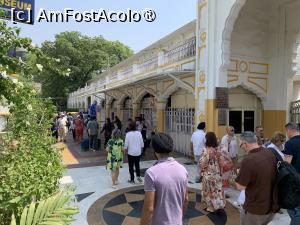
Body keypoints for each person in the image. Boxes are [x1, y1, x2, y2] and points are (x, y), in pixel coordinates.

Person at [140, 133, 189, 225]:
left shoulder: (151, 173)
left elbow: (149, 209)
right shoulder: (183, 170)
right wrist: (178, 218)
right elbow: (185, 199)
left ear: (154, 150)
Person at [236, 131, 277, 225]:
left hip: (255, 208)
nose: (240, 146)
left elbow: (241, 187)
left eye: (240, 144)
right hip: (271, 204)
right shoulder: (269, 152)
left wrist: (240, 173)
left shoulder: (248, 160)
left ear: (245, 144)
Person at [200, 132, 226, 212]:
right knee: (217, 190)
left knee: (209, 191)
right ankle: (219, 205)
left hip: (208, 174)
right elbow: (222, 162)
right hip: (217, 173)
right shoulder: (218, 149)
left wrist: (201, 170)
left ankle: (210, 207)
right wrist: (221, 172)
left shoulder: (206, 150)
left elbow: (203, 163)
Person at [284, 122, 300, 225]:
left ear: (289, 130)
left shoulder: (290, 143)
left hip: (295, 181)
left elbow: (287, 164)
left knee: (294, 209)